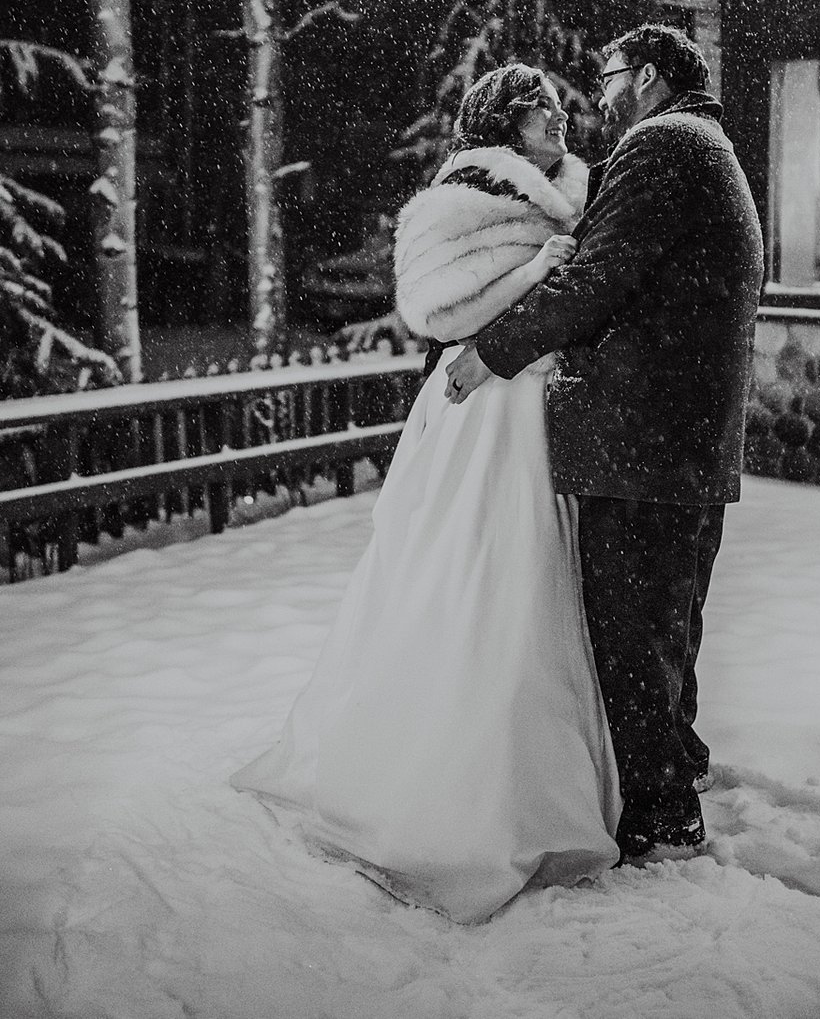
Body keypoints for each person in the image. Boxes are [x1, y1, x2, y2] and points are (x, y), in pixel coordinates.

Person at [231, 63, 620, 923]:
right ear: (503, 124)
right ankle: (455, 794)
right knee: (479, 574)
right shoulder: (452, 202)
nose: (559, 118)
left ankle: (550, 776)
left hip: (555, 405)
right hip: (483, 409)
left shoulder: (583, 193)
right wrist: (535, 274)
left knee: (547, 583)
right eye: (539, 109)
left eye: (559, 106)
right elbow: (438, 315)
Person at [445, 25, 764, 860]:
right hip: (687, 436)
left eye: (612, 74)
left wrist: (492, 351)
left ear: (650, 77)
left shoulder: (660, 145)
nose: (601, 92)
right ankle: (679, 765)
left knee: (632, 632)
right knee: (668, 621)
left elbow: (599, 277)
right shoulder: (707, 144)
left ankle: (660, 814)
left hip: (645, 438)